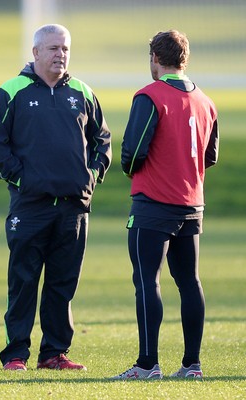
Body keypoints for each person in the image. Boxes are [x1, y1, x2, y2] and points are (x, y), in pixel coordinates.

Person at [0, 24, 111, 371]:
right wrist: (24, 180)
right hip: (30, 207)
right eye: (53, 48)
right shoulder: (12, 91)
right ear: (36, 52)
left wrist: (92, 176)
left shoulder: (82, 92)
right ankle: (15, 355)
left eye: (65, 49)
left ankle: (54, 353)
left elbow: (103, 142)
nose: (61, 55)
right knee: (23, 282)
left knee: (62, 283)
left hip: (73, 209)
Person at [111, 30, 219, 380]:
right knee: (189, 282)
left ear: (155, 58)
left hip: (154, 204)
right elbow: (211, 156)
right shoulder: (206, 101)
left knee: (147, 281)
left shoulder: (150, 95)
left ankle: (147, 364)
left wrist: (133, 171)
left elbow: (133, 151)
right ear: (184, 59)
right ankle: (192, 365)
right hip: (192, 204)